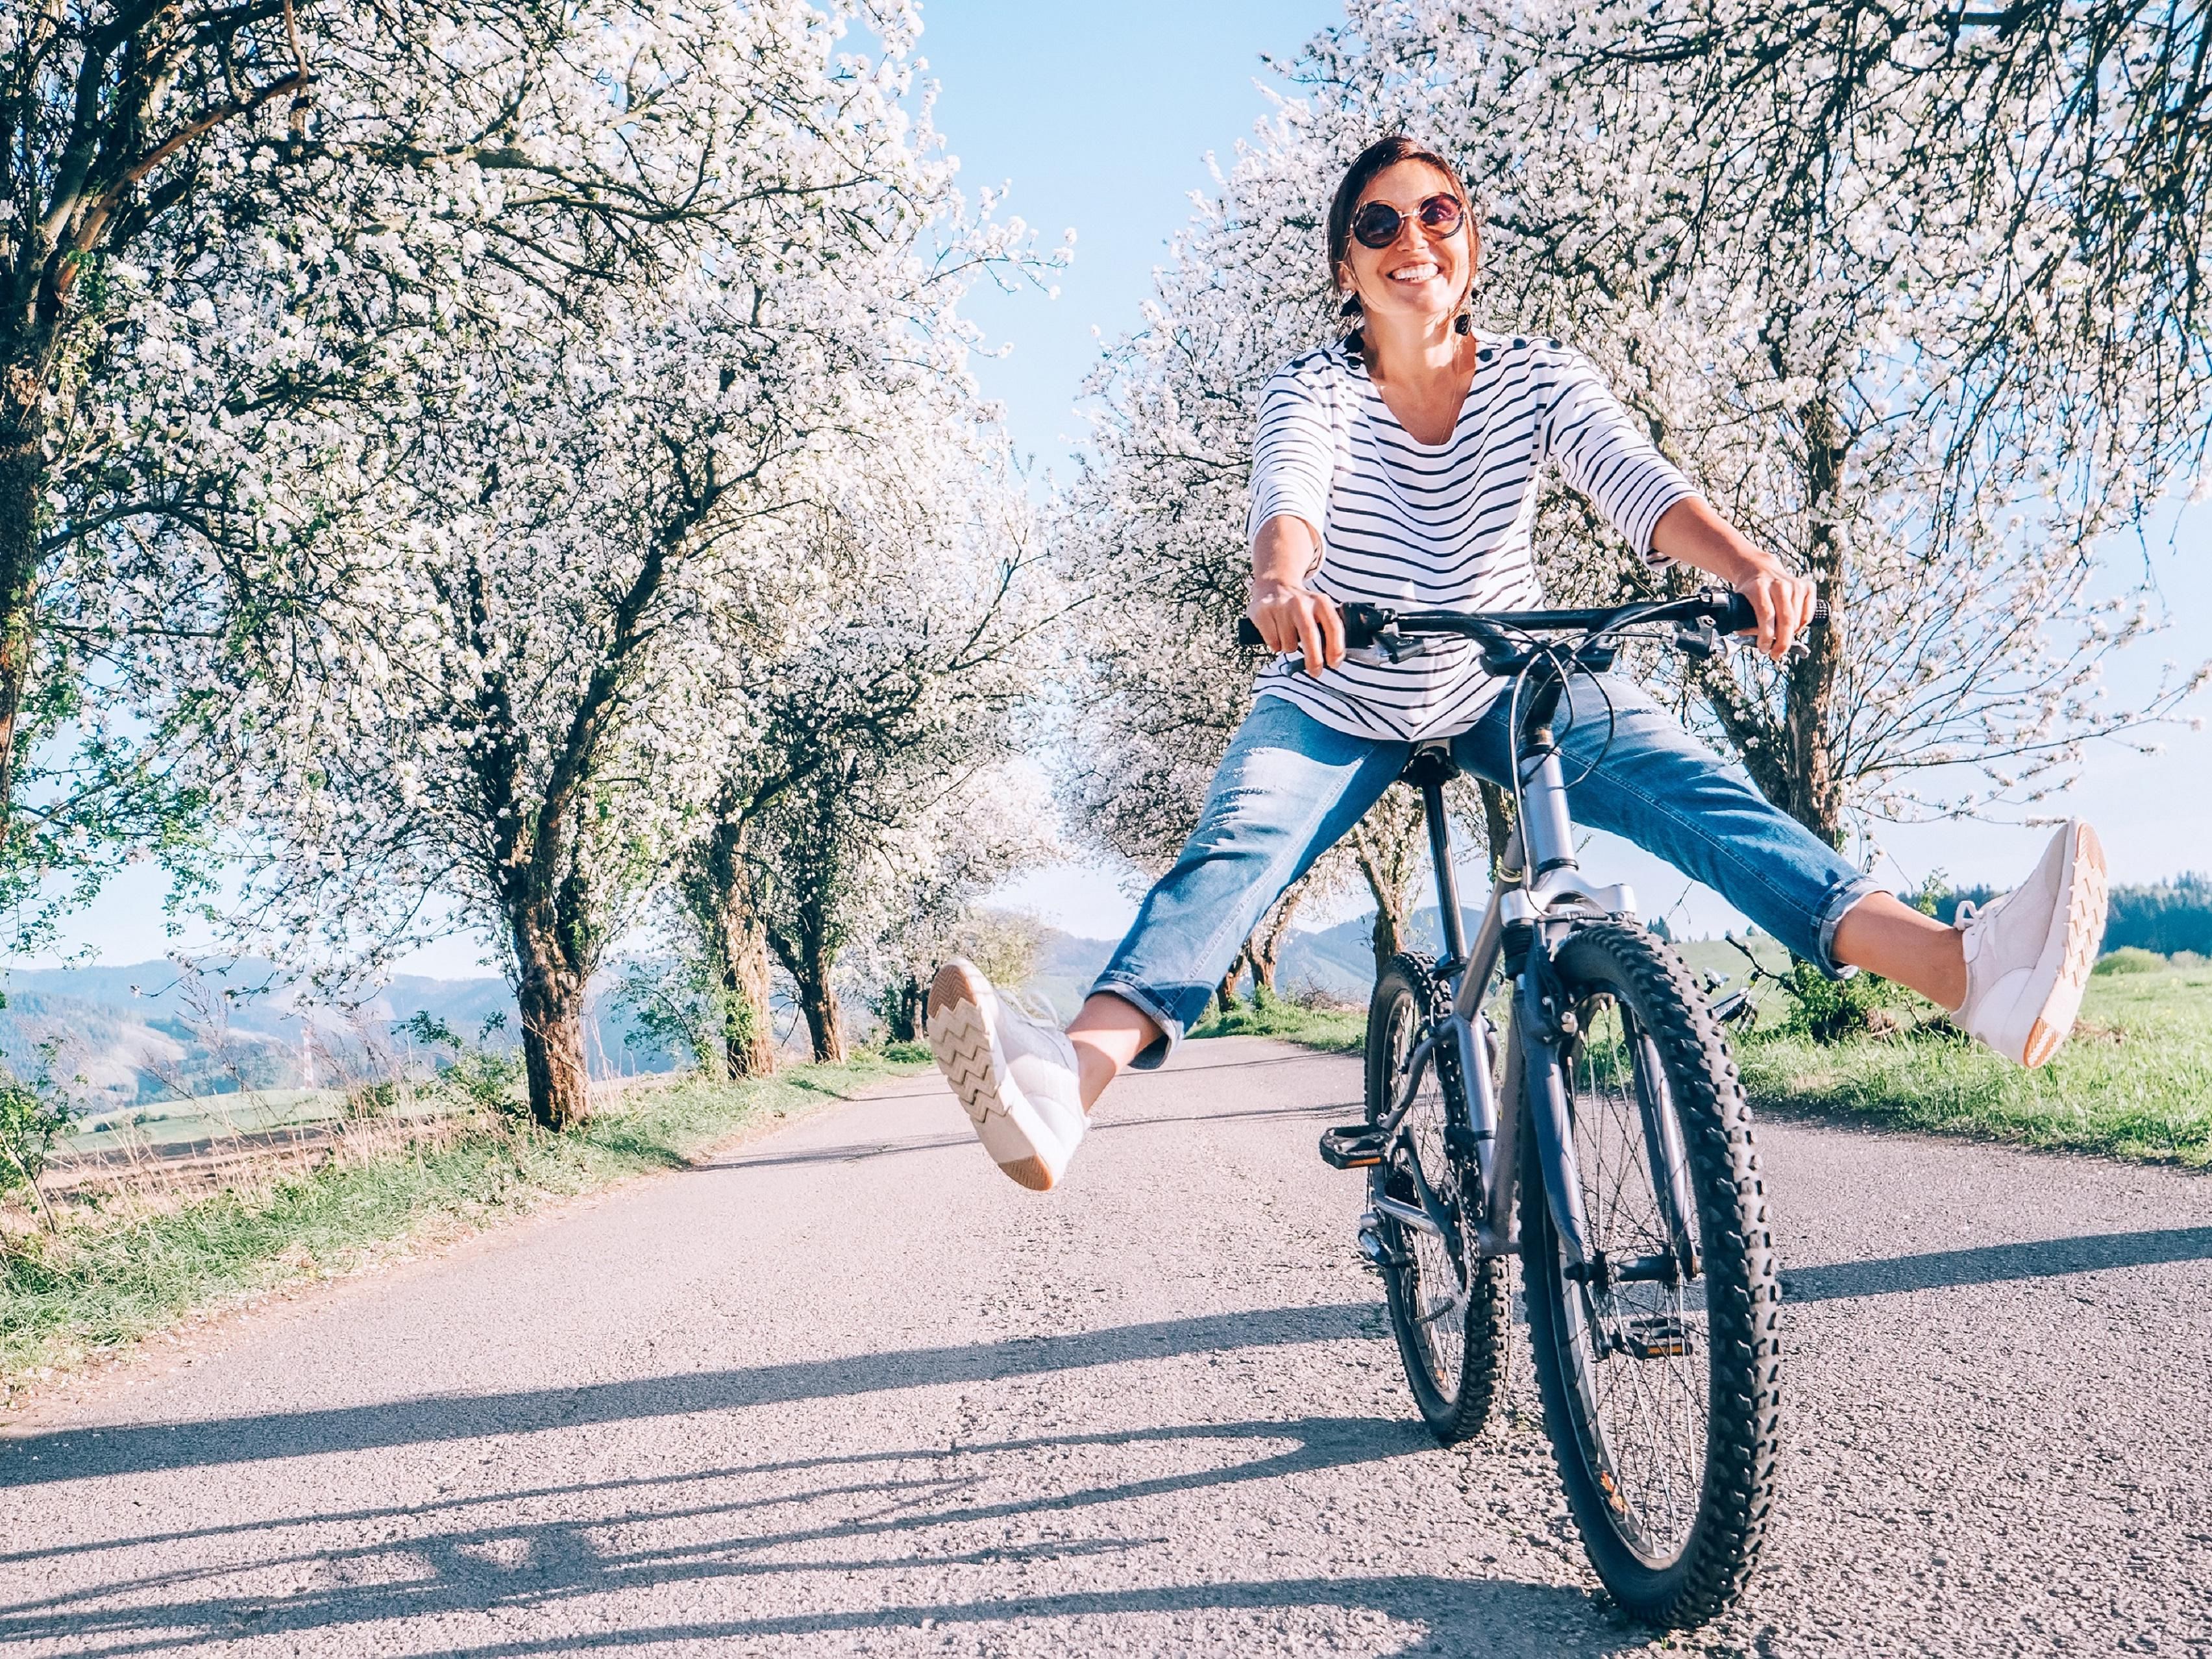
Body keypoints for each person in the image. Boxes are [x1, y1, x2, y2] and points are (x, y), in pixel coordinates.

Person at [926, 135, 2109, 1192]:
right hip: (1343, 689)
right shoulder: (1316, 389)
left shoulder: (1539, 375)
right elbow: (1290, 501)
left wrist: (1746, 564)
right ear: (1348, 268)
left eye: (1437, 215)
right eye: (1378, 225)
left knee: (1702, 796)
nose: (1411, 240)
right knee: (1236, 850)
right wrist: (1283, 585)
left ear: (1470, 246)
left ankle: (1965, 973)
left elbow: (1634, 480)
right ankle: (1064, 1086)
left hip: (1507, 677)